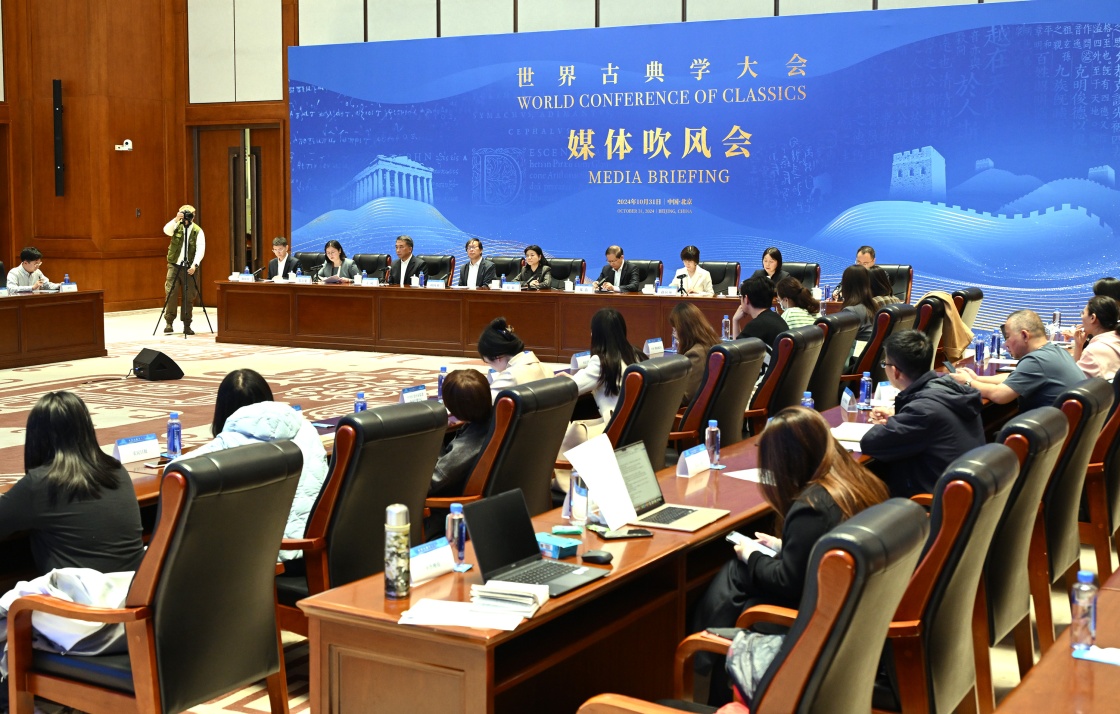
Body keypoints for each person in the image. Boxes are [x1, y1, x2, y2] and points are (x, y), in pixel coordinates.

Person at [691, 406, 888, 702]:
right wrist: (784, 546)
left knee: (738, 572)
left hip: (821, 620)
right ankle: (707, 653)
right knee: (742, 584)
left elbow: (788, 583)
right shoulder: (858, 480)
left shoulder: (812, 506)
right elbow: (831, 545)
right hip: (856, 614)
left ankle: (704, 652)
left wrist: (751, 555)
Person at [169, 369, 328, 563]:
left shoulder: (228, 445)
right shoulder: (306, 428)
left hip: (273, 559)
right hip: (319, 548)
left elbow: (175, 472)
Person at [0, 391, 144, 575]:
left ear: (36, 437)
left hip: (80, 593)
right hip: (135, 587)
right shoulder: (116, 469)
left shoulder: (40, 483)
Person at [860, 330, 985, 497]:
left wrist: (894, 422)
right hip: (964, 495)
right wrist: (899, 417)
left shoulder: (922, 411)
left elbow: (870, 442)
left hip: (932, 503)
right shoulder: (950, 387)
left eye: (885, 364)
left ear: (895, 371)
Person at [948, 309, 1086, 411]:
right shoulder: (1056, 351)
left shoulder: (1036, 361)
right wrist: (977, 378)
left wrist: (968, 382)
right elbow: (1014, 377)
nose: (1005, 343)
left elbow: (999, 395)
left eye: (1008, 337)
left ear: (1025, 335)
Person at [568, 307, 647, 421]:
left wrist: (568, 380)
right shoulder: (637, 353)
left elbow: (573, 387)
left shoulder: (601, 362)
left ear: (596, 334)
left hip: (616, 425)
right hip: (637, 421)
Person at [430, 370, 493, 496]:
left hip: (448, 503)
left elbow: (432, 483)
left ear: (451, 408)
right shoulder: (495, 418)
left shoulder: (468, 445)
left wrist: (436, 434)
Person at [479, 317, 549, 399]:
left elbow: (482, 402)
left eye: (488, 362)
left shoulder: (509, 376)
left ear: (497, 357)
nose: (490, 367)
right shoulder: (545, 368)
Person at [162, 204, 206, 335]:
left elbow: (200, 249)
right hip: (174, 265)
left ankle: (187, 324)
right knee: (171, 293)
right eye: (185, 214)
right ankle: (169, 322)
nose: (188, 217)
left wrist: (194, 265)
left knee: (188, 296)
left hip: (189, 268)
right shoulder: (176, 226)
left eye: (190, 215)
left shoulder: (197, 231)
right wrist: (176, 219)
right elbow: (166, 231)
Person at [669, 302, 721, 405]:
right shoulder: (712, 343)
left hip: (693, 413)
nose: (673, 334)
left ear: (684, 330)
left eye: (675, 330)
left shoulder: (695, 354)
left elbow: (688, 397)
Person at [1071, 296, 1120, 380]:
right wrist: (1079, 345)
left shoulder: (1094, 350)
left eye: (1083, 313)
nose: (1081, 317)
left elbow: (1074, 380)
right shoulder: (1115, 339)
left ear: (1092, 318)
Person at [733, 276, 788, 350]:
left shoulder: (756, 326)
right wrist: (736, 321)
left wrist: (735, 321)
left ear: (746, 299)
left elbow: (736, 351)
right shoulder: (777, 318)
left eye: (740, 296)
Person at [838, 264, 876, 343]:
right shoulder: (873, 306)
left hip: (857, 350)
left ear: (846, 285)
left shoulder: (850, 311)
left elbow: (842, 343)